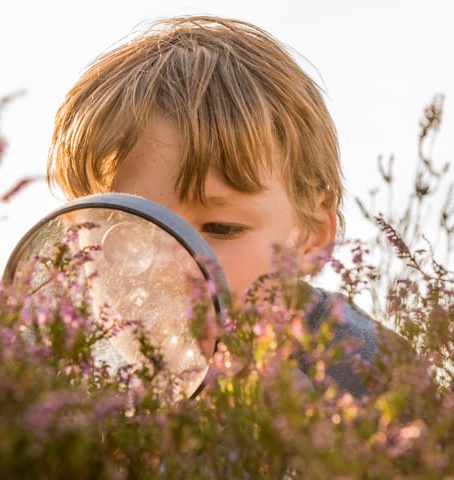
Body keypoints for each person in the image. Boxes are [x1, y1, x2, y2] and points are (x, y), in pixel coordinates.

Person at [46, 16, 406, 397]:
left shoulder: (367, 370)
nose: (173, 267)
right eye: (131, 232)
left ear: (313, 235)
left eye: (220, 228)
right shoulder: (83, 387)